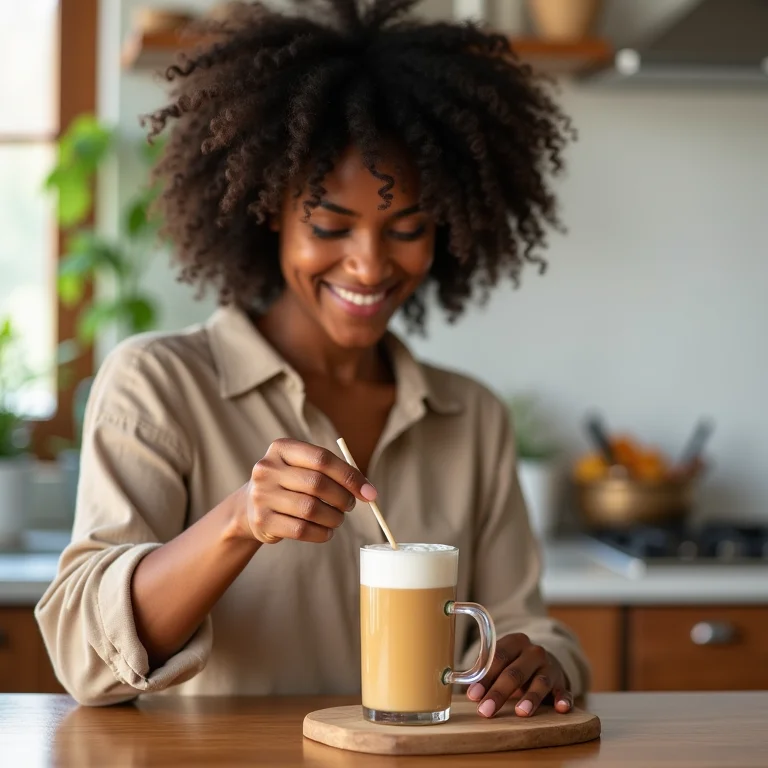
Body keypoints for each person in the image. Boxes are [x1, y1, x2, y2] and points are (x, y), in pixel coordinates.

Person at [36, 0, 589, 718]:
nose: (368, 265)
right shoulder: (159, 386)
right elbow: (83, 656)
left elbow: (526, 623)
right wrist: (237, 522)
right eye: (330, 225)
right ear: (270, 211)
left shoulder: (470, 416)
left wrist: (539, 663)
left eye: (408, 228)